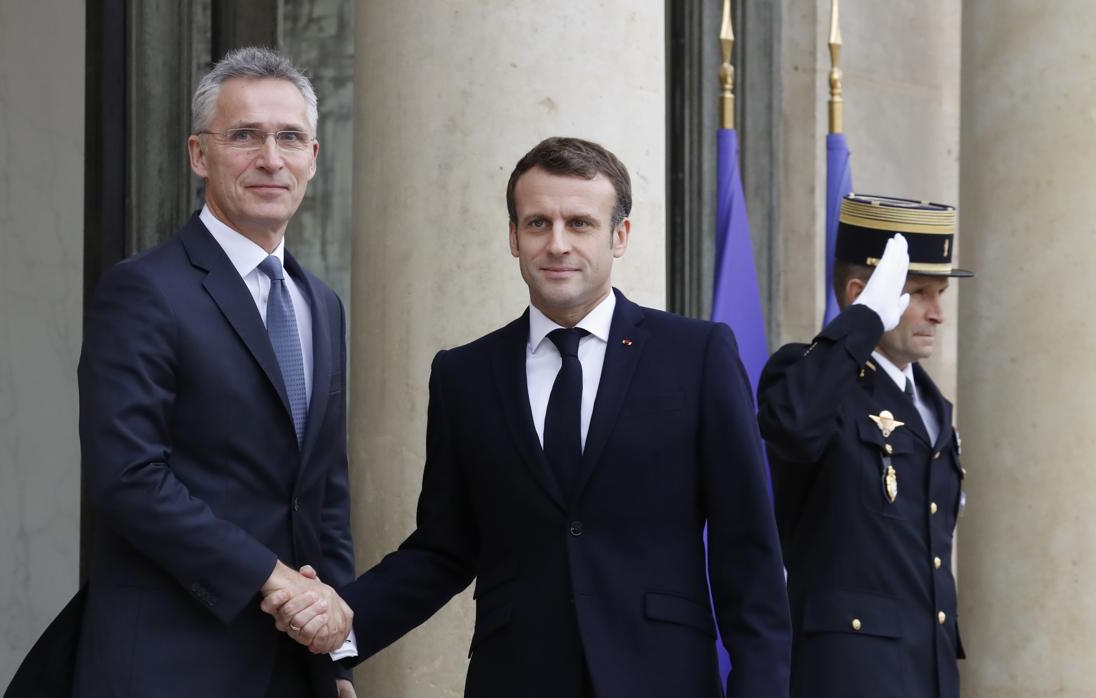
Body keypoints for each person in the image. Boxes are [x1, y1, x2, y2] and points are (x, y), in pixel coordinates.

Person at [267, 136, 791, 697]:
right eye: (538, 223)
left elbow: (748, 553)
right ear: (514, 238)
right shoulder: (463, 374)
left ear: (620, 236)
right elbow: (443, 547)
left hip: (662, 678)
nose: (557, 244)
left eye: (580, 224)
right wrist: (344, 621)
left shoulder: (697, 355)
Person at [72, 46, 355, 698]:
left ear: (314, 158)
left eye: (290, 138)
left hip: (292, 671)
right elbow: (128, 477)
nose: (270, 159)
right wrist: (271, 576)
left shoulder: (322, 306)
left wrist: (334, 653)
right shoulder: (143, 290)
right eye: (245, 137)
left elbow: (325, 494)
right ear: (200, 154)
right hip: (171, 664)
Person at [757, 194, 971, 698]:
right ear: (862, 294)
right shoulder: (808, 378)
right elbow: (792, 424)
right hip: (849, 675)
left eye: (941, 293)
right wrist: (862, 322)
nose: (938, 313)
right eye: (919, 292)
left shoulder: (931, 404)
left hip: (926, 673)